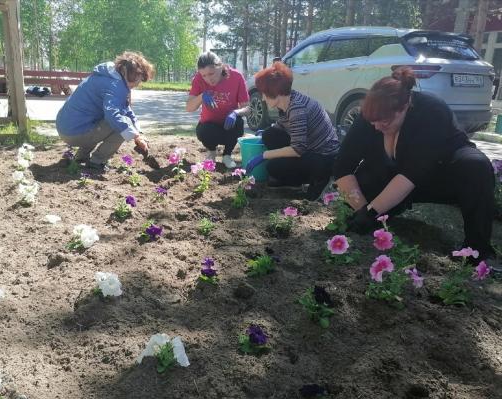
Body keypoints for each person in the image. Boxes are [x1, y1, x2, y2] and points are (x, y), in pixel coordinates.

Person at [334, 66, 498, 266]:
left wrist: (371, 212)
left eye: (384, 122)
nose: (376, 127)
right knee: (361, 187)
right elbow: (343, 167)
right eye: (373, 122)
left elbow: (413, 173)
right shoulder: (371, 117)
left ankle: (477, 250)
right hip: (393, 175)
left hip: (437, 172)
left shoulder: (431, 111)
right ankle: (380, 216)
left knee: (476, 166)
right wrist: (363, 211)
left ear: (404, 108)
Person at [245, 62, 339, 199]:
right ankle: (291, 177)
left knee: (273, 167)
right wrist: (264, 135)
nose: (263, 98)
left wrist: (264, 155)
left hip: (323, 157)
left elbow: (298, 149)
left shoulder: (297, 109)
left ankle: (320, 180)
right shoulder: (288, 100)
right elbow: (283, 124)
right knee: (269, 135)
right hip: (310, 146)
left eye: (265, 94)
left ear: (276, 93)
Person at [56, 51, 154, 169]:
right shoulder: (115, 85)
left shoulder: (108, 76)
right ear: (128, 72)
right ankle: (96, 162)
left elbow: (125, 108)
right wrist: (135, 135)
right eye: (138, 78)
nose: (138, 83)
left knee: (113, 122)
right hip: (74, 132)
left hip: (67, 127)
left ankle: (81, 157)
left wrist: (139, 133)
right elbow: (114, 115)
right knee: (120, 127)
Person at [186, 52, 250, 169]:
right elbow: (189, 107)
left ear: (221, 67)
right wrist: (202, 96)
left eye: (211, 73)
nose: (208, 79)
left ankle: (227, 155)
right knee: (203, 130)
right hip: (210, 127)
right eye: (204, 75)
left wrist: (235, 112)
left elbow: (247, 108)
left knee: (239, 123)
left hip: (229, 126)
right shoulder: (198, 79)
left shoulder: (236, 77)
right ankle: (211, 152)